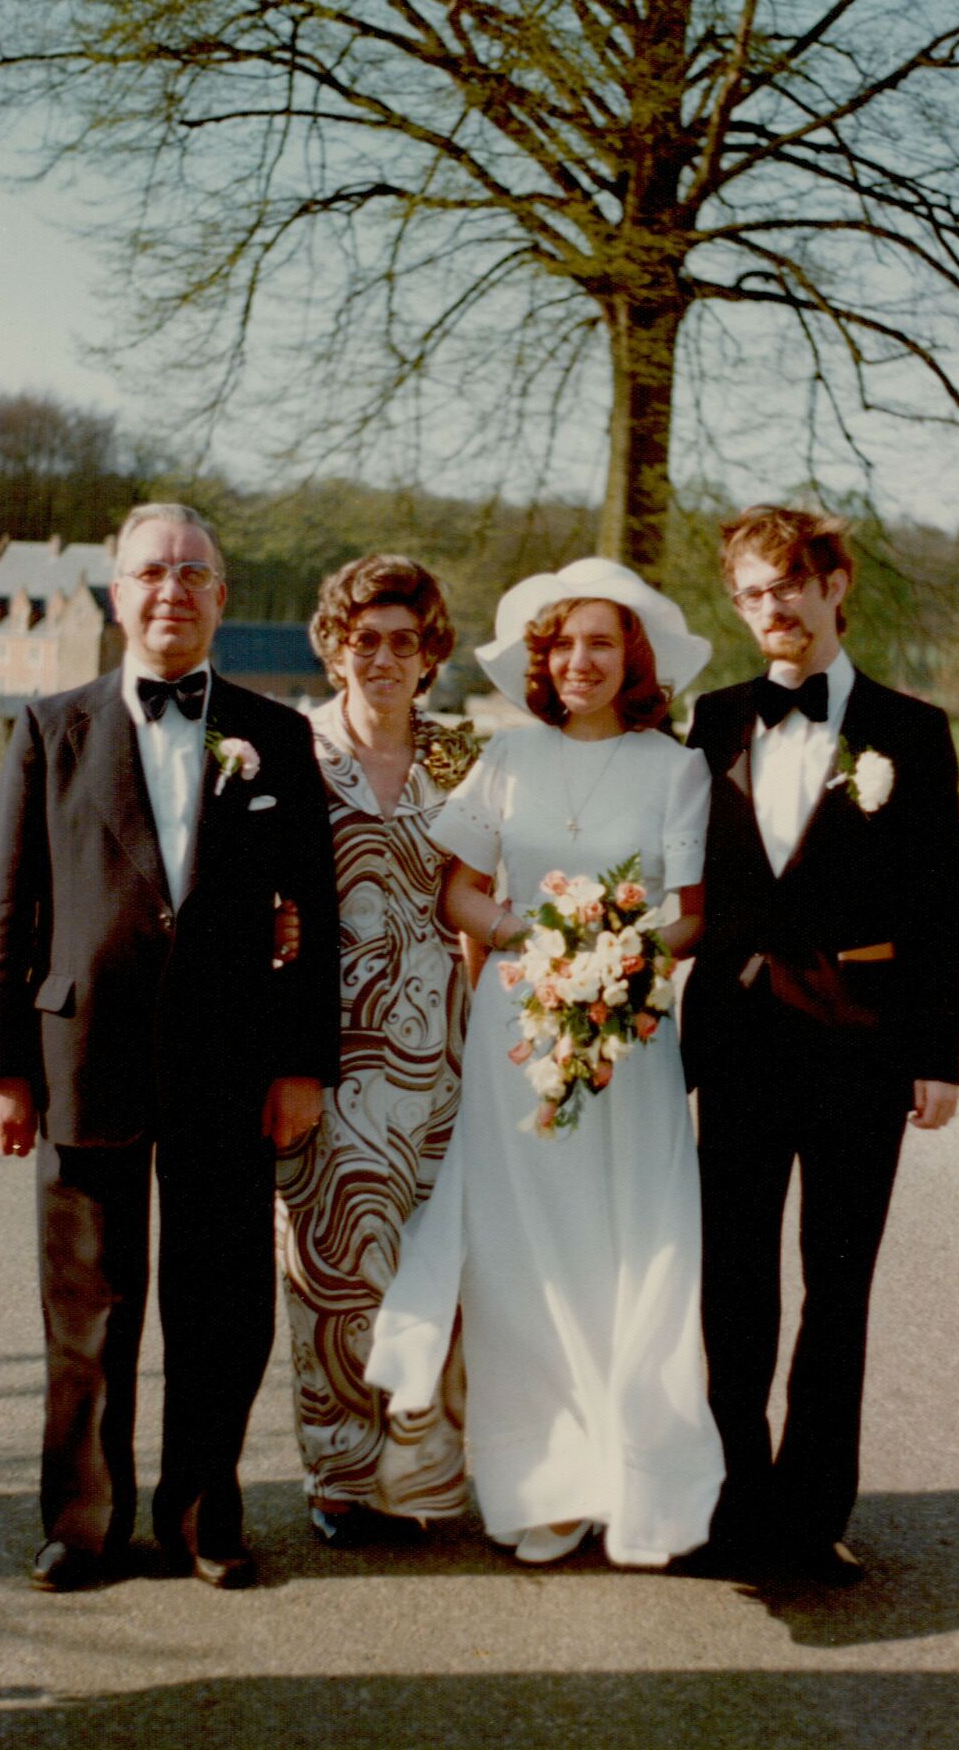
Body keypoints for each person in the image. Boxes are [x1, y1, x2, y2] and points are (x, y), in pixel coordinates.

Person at [0, 502, 339, 1592]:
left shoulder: (275, 736)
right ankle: (83, 1523)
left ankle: (203, 1518)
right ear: (117, 593)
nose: (171, 589)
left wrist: (302, 1063)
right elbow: (2, 907)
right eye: (149, 572)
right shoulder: (48, 729)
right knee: (88, 1306)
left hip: (231, 1062)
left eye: (194, 572)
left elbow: (311, 910)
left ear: (222, 596)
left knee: (222, 1304)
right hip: (84, 1055)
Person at [366, 558, 725, 1568]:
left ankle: (633, 1477)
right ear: (542, 658)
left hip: (629, 1037)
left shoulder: (674, 767)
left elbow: (689, 916)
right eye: (562, 643)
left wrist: (615, 954)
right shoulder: (507, 761)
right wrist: (532, 933)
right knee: (521, 1259)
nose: (579, 661)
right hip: (513, 1034)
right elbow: (459, 894)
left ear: (633, 658)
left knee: (627, 1251)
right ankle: (541, 1482)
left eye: (600, 643)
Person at [681, 503, 959, 1584]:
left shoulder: (910, 730)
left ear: (835, 583)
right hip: (740, 1051)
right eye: (753, 592)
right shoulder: (707, 722)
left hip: (858, 1052)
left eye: (792, 583)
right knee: (733, 1287)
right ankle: (732, 1500)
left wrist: (936, 1053)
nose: (775, 608)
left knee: (835, 1287)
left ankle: (811, 1516)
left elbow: (940, 903)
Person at [274, 555, 482, 1544]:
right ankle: (339, 1478)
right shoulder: (294, 750)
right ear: (333, 645)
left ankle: (415, 1474)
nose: (385, 658)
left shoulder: (454, 755)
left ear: (430, 651)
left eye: (405, 641)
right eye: (366, 639)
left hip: (441, 1049)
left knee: (431, 1267)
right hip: (337, 1043)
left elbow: (481, 886)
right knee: (335, 1264)